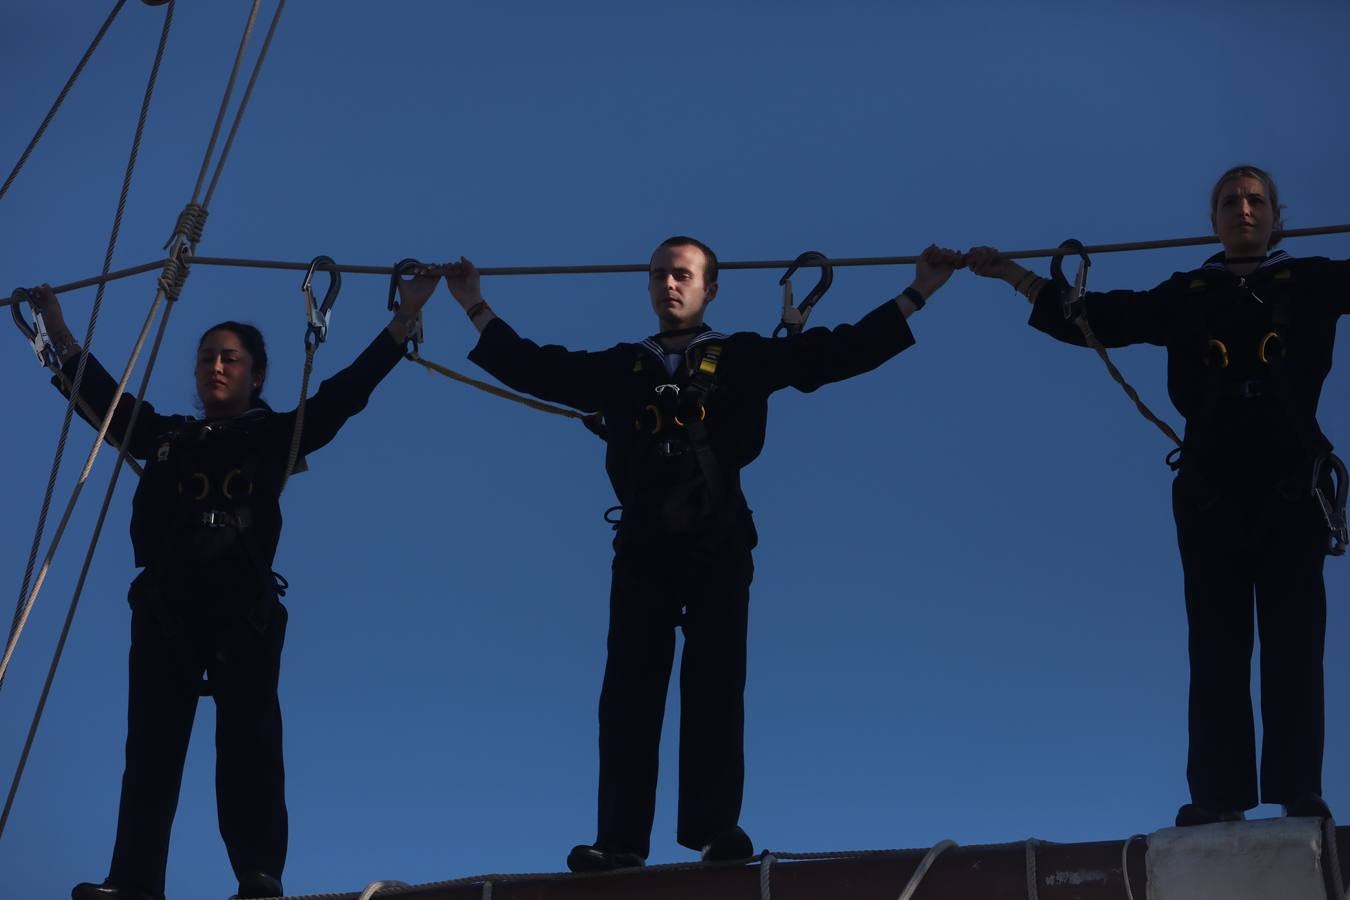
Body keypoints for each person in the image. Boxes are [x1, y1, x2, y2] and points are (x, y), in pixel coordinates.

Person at [436, 237, 962, 870]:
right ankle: (621, 842)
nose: (669, 285)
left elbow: (833, 354)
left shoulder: (742, 356)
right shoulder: (624, 366)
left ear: (710, 288)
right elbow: (539, 368)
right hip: (643, 546)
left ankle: (715, 830)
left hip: (717, 540)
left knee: (715, 684)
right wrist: (473, 304)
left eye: (682, 275)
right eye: (659, 275)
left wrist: (918, 292)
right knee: (629, 691)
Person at [30, 270, 437, 900]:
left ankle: (258, 873)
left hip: (242, 608)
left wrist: (403, 319)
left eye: (229, 358)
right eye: (205, 359)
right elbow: (103, 399)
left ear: (255, 374)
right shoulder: (166, 435)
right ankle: (135, 880)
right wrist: (56, 327)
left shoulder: (276, 435)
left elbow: (346, 393)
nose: (215, 368)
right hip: (167, 606)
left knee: (249, 739)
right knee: (151, 748)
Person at [966, 165, 1346, 826]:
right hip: (1212, 487)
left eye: (1256, 201)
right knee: (1217, 643)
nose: (1244, 210)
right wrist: (1011, 274)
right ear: (1215, 220)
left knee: (1294, 638)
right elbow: (1096, 319)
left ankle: (1297, 789)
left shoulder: (1312, 278)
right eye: (1231, 201)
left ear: (1276, 216)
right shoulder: (1189, 292)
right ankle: (1219, 795)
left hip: (1289, 480)